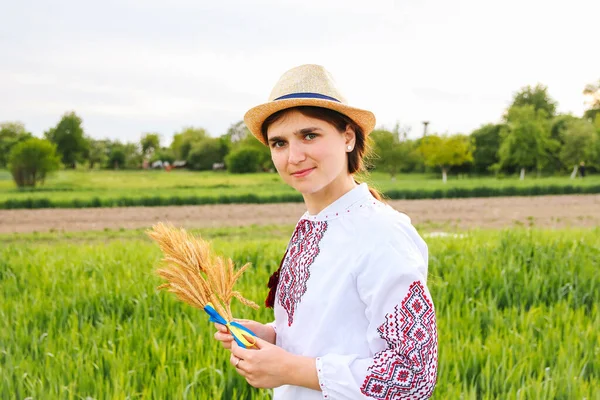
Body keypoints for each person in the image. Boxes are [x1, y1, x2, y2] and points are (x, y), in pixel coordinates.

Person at [214, 64, 438, 399]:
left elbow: (415, 374)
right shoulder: (312, 224)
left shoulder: (382, 234)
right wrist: (272, 335)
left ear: (348, 137)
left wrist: (289, 369)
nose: (294, 156)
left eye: (309, 135)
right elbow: (332, 328)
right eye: (279, 143)